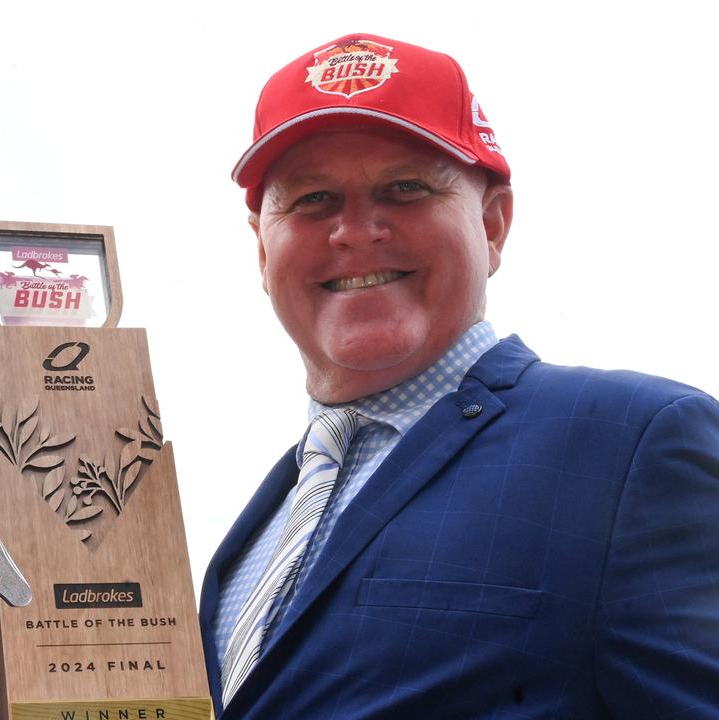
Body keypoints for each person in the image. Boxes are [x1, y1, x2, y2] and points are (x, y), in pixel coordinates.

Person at [199, 34, 719, 718]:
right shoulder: (247, 544)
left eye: (406, 188)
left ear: (494, 223)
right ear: (262, 247)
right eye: (312, 199)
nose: (355, 231)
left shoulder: (632, 445)